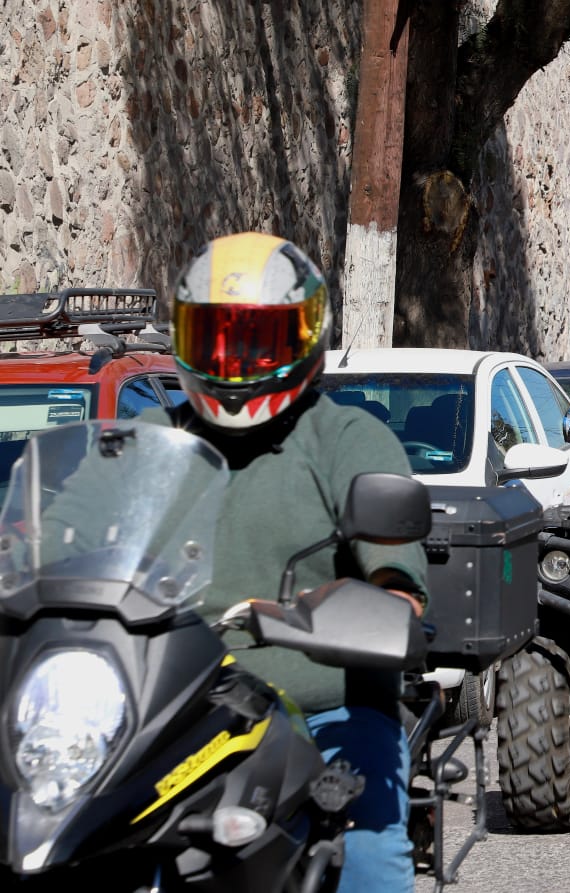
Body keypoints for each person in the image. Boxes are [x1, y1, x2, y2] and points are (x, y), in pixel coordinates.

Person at [150, 232, 427, 892]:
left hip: (319, 709)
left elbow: (395, 576)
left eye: (260, 338)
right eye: (218, 336)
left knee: (366, 855)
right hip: (172, 716)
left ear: (306, 338)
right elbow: (68, 534)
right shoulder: (161, 447)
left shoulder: (345, 437)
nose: (237, 357)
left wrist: (388, 603)